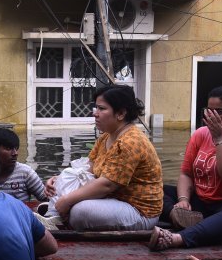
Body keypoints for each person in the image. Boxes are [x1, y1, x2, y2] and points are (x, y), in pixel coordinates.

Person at [149, 85, 222, 251]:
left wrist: (220, 138)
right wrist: (183, 200)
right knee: (150, 189)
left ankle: (177, 238)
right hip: (203, 201)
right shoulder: (200, 134)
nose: (211, 116)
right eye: (208, 110)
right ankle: (177, 215)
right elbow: (186, 173)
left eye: (218, 111)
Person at [45, 84, 163, 231]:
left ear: (120, 114)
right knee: (65, 182)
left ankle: (57, 218)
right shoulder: (106, 137)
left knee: (80, 211)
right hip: (111, 200)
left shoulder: (130, 142)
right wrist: (60, 180)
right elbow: (88, 169)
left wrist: (67, 200)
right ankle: (52, 217)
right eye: (97, 108)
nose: (95, 113)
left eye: (102, 109)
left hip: (139, 211)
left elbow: (107, 185)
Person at [0, 128, 47, 202]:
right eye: (8, 148)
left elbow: (47, 199)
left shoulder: (25, 173)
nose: (15, 153)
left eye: (16, 148)